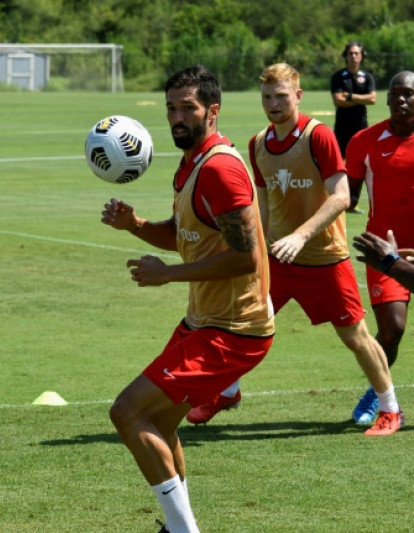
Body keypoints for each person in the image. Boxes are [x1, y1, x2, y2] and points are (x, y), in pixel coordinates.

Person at [101, 65, 274, 533]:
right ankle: (179, 527)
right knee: (161, 422)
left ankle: (184, 532)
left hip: (234, 331)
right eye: (171, 108)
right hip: (206, 322)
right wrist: (136, 225)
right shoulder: (193, 163)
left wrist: (168, 277)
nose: (177, 117)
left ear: (212, 112)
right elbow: (188, 236)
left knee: (128, 412)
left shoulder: (219, 169)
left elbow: (246, 259)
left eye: (187, 108)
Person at [185, 63, 402, 434]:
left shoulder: (318, 136)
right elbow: (264, 206)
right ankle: (227, 391)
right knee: (244, 321)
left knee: (354, 336)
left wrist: (300, 236)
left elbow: (343, 195)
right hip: (277, 259)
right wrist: (256, 251)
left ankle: (390, 408)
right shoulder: (257, 145)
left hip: (324, 258)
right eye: (267, 97)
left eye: (281, 96)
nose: (273, 103)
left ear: (298, 96)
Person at [345, 70, 414, 426]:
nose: (401, 100)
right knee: (393, 328)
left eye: (409, 94)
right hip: (384, 251)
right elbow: (347, 196)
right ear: (386, 100)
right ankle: (378, 393)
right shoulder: (364, 141)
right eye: (395, 94)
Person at [331, 41, 376, 214]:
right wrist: (361, 98)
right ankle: (339, 202)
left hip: (361, 128)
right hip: (342, 127)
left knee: (362, 165)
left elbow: (373, 99)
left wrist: (350, 96)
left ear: (362, 56)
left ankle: (353, 201)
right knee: (340, 165)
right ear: (346, 56)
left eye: (357, 53)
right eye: (351, 53)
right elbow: (337, 101)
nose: (354, 56)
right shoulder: (337, 77)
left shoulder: (368, 77)